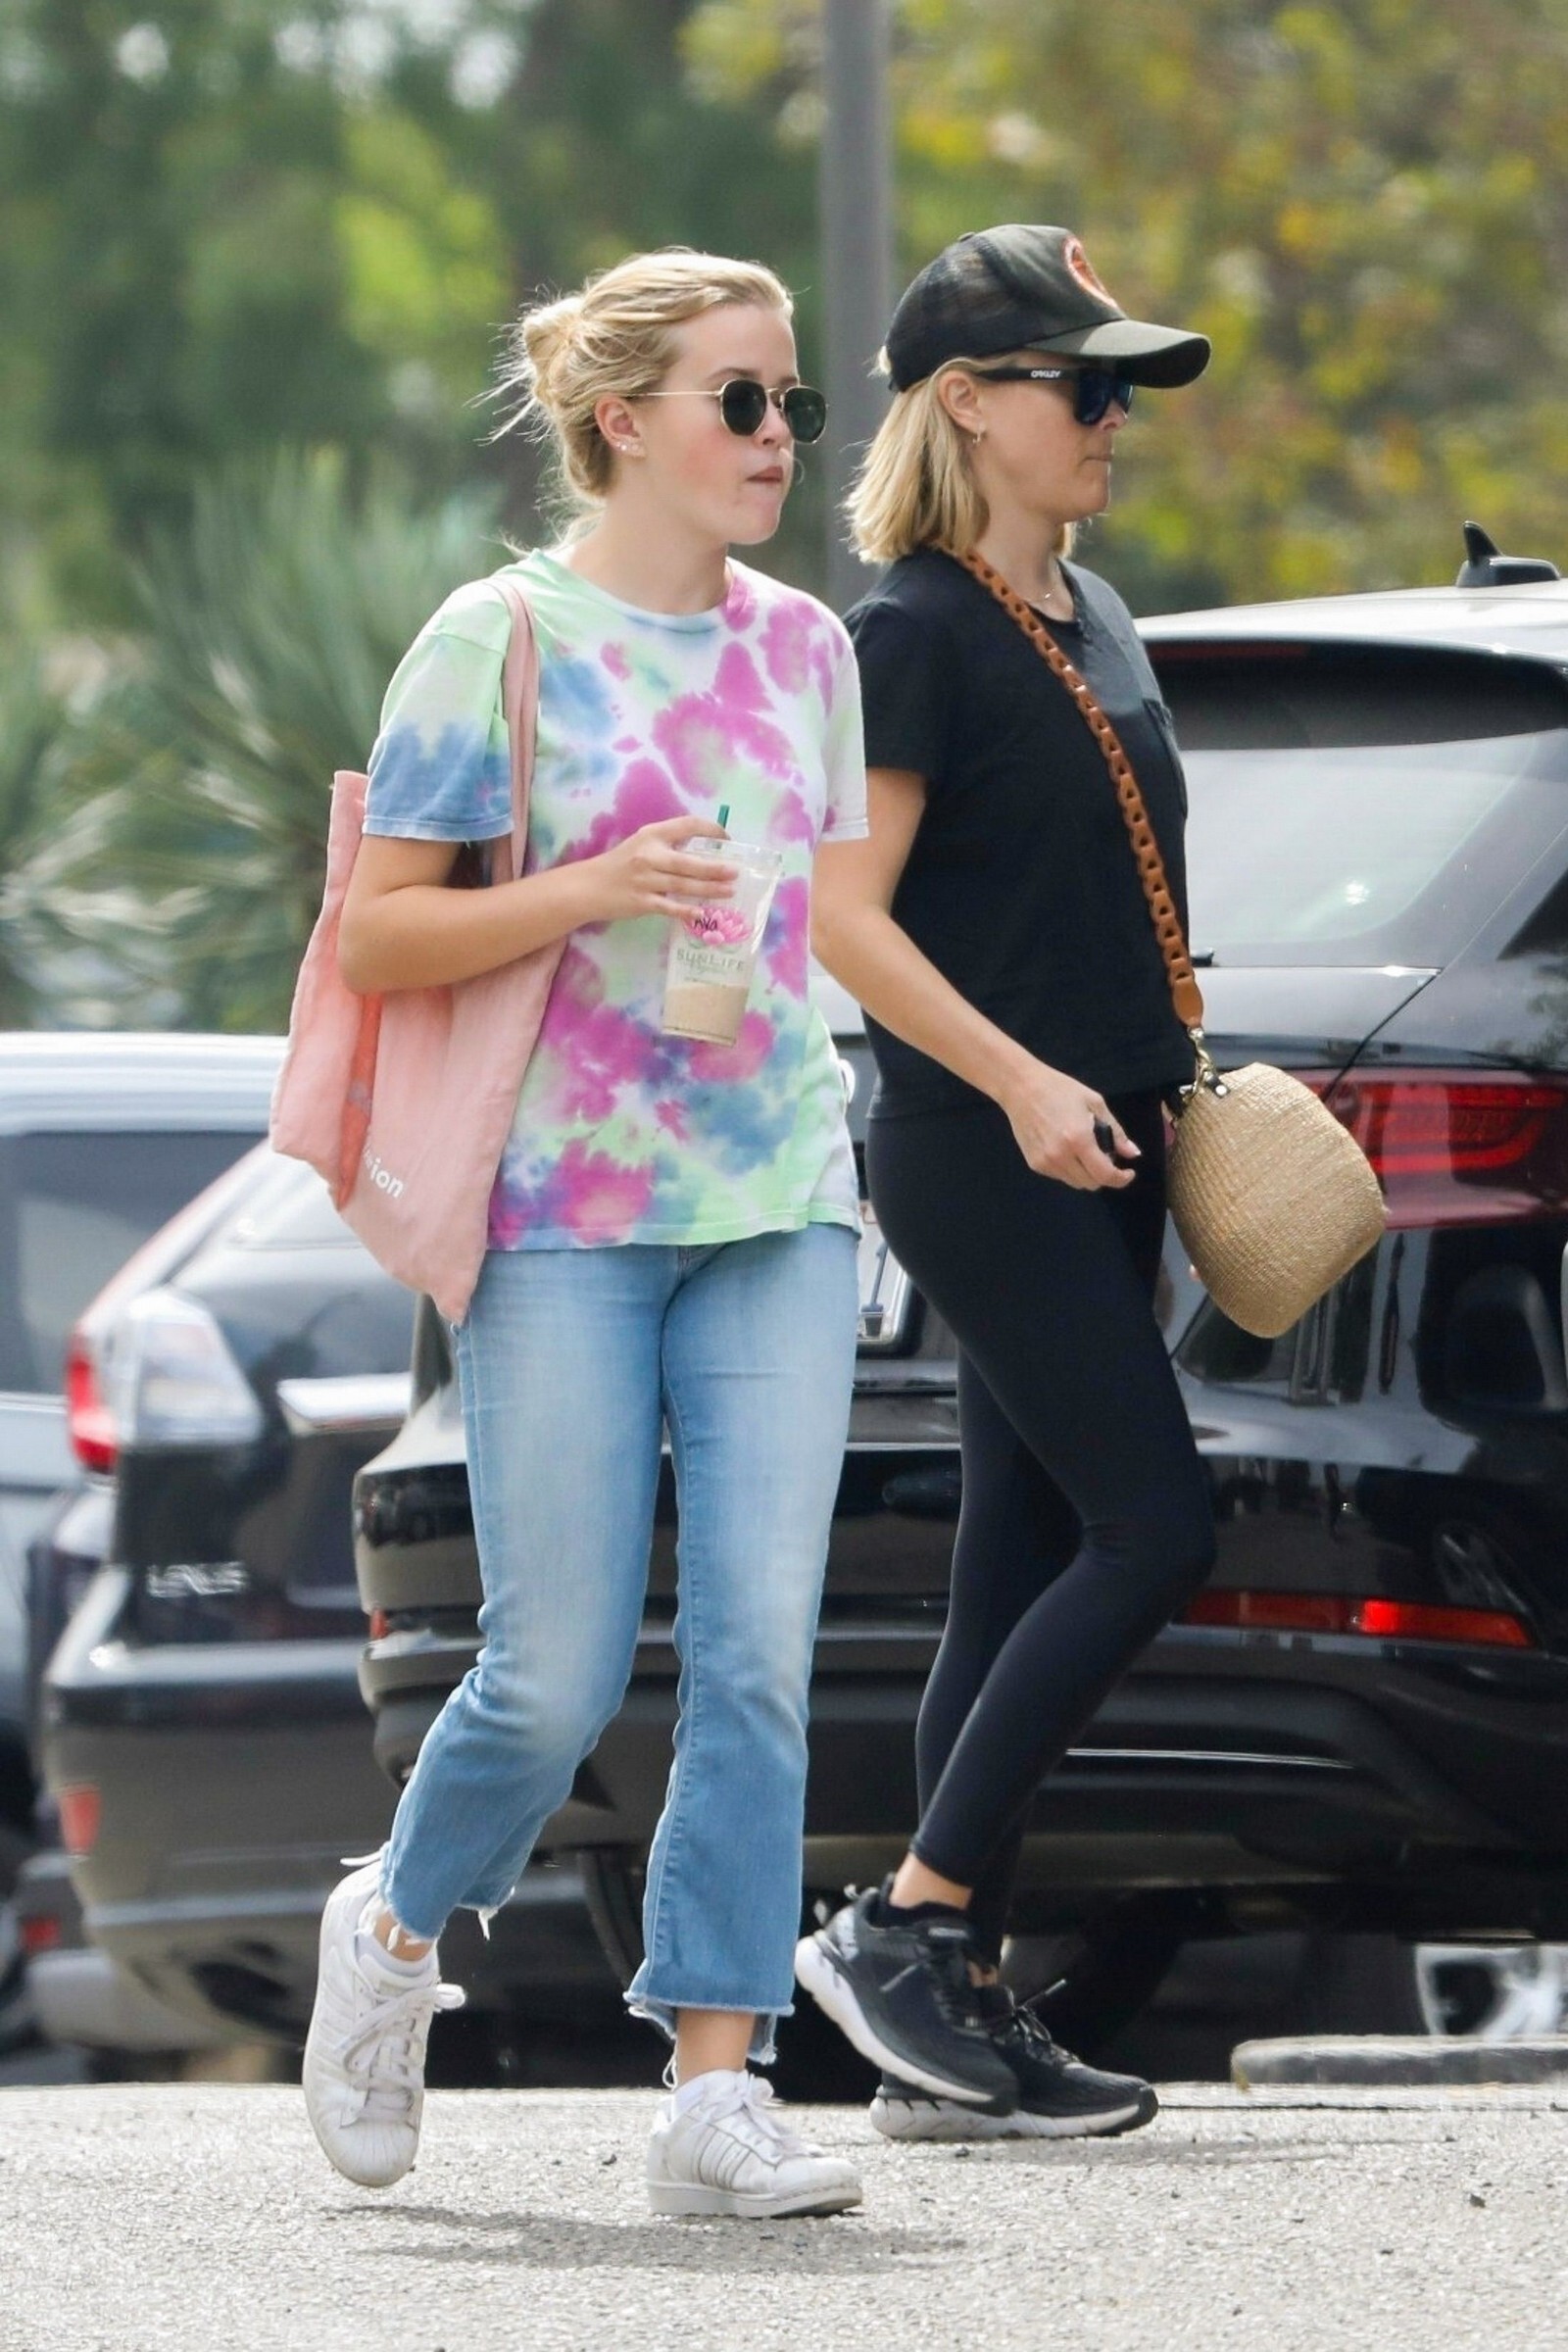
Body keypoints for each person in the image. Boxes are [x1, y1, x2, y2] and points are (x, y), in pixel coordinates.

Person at [301, 248, 869, 2221]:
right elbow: (383, 934)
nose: (780, 437)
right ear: (622, 420)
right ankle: (394, 1923)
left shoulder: (807, 647)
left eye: (793, 402)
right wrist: (591, 887)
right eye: (742, 400)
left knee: (759, 1653)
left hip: (778, 1190)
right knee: (549, 1673)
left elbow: (821, 922)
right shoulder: (499, 639)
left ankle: (716, 2086)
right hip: (560, 1210)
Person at [797, 225, 1216, 2140]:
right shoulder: (910, 631)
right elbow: (842, 921)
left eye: (1125, 388)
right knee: (1154, 1527)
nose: (1114, 417)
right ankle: (909, 1922)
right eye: (1083, 385)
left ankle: (948, 2018)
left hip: (1107, 1134)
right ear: (967, 402)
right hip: (985, 1145)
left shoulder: (1092, 613)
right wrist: (1027, 1079)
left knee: (1016, 1563)